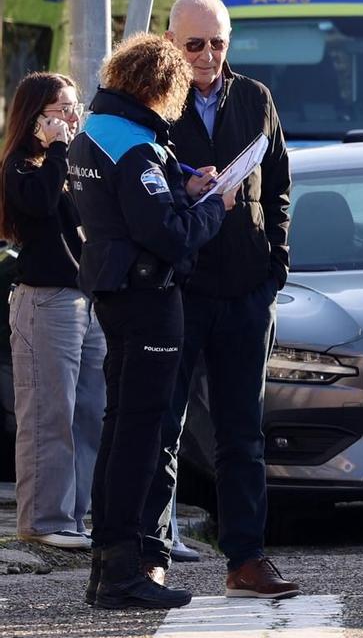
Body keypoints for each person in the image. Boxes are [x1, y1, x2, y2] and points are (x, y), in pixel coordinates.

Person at [70, 34, 235, 610]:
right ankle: (120, 573)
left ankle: (106, 568)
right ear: (161, 86)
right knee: (138, 439)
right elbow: (168, 234)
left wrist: (180, 190)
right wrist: (214, 203)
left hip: (114, 293)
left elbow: (126, 209)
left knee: (120, 433)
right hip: (147, 301)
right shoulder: (137, 147)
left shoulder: (94, 132)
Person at [145, 0, 298, 600]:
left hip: (244, 289)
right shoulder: (153, 103)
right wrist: (188, 189)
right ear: (171, 41)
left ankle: (246, 559)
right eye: (195, 45)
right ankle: (151, 553)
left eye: (218, 44)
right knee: (162, 425)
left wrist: (275, 264)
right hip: (179, 286)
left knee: (242, 433)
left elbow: (280, 182)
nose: (208, 56)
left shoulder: (255, 98)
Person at [2, 72, 104, 551]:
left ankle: (76, 516)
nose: (69, 118)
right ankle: (44, 519)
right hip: (45, 300)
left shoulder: (69, 164)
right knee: (49, 411)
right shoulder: (22, 166)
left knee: (90, 410)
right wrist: (58, 149)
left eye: (73, 108)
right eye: (60, 110)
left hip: (85, 298)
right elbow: (39, 205)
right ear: (35, 117)